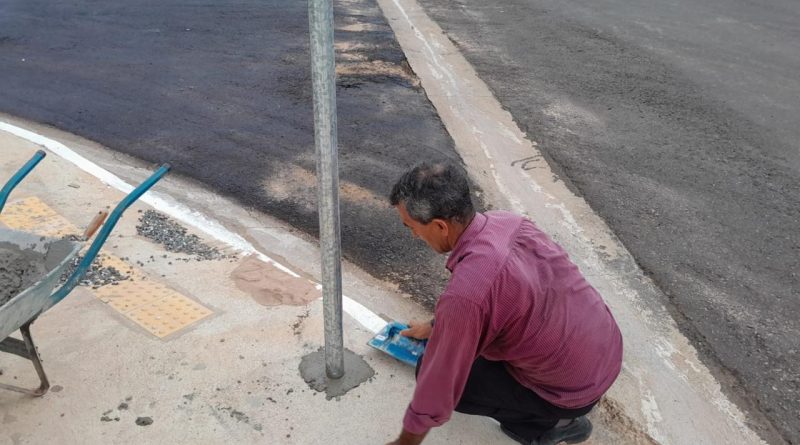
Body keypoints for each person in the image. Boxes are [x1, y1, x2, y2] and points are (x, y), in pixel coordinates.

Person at [385, 163, 623, 445]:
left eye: (412, 228)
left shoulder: (467, 295)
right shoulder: (510, 223)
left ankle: (550, 427)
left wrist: (406, 441)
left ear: (439, 226)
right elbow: (498, 297)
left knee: (429, 367)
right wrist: (434, 327)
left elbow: (439, 383)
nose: (414, 236)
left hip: (570, 391)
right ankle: (557, 413)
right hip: (607, 352)